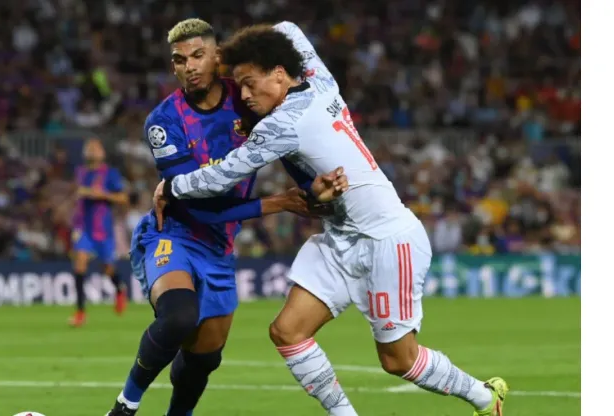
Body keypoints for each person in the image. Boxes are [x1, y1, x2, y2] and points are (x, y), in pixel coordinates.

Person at [154, 22, 509, 416]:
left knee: (399, 361)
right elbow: (288, 27)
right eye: (239, 85)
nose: (245, 95)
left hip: (388, 239)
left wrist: (172, 187)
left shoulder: (280, 126)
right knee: (287, 332)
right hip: (341, 238)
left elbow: (220, 176)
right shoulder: (320, 79)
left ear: (278, 72)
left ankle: (483, 397)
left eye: (251, 83)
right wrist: (238, 52)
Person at [105, 19, 346, 416]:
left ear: (218, 57)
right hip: (175, 233)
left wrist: (312, 187)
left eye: (199, 55)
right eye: (180, 60)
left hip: (220, 246)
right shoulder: (164, 123)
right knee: (179, 316)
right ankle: (124, 407)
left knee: (204, 360)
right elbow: (195, 204)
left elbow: (286, 144)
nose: (190, 66)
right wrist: (277, 203)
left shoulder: (246, 98)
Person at [70, 139, 129, 327]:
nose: (92, 150)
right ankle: (80, 312)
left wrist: (102, 195)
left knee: (108, 268)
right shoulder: (80, 172)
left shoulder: (110, 174)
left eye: (96, 147)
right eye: (89, 147)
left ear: (102, 153)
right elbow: (77, 197)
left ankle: (119, 289)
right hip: (84, 228)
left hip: (103, 229)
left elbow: (122, 198)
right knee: (79, 263)